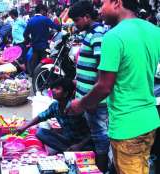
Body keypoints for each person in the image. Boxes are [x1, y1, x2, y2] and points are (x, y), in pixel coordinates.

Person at [66, 0, 160, 173]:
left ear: (117, 3)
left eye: (103, 4)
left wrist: (80, 104)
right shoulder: (154, 31)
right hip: (149, 120)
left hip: (127, 126)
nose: (100, 10)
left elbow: (104, 86)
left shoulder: (113, 36)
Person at [68, 1, 109, 172]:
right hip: (88, 99)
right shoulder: (90, 33)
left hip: (94, 102)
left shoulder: (98, 34)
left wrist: (91, 99)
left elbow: (101, 69)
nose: (75, 24)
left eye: (77, 20)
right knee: (95, 135)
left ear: (86, 17)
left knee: (100, 139)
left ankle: (101, 169)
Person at [16, 78, 93, 153]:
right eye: (53, 88)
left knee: (86, 146)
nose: (53, 90)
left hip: (84, 143)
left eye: (57, 89)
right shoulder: (55, 106)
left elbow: (92, 132)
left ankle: (71, 151)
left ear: (65, 93)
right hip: (69, 140)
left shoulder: (76, 107)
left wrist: (79, 145)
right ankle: (68, 151)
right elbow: (41, 116)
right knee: (40, 132)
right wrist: (25, 126)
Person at [23, 4, 61, 75]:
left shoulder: (31, 20)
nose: (46, 13)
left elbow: (25, 34)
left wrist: (30, 40)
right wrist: (59, 25)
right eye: (45, 12)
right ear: (42, 11)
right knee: (45, 65)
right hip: (44, 47)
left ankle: (35, 78)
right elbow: (57, 28)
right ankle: (44, 79)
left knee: (35, 64)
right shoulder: (45, 19)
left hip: (34, 47)